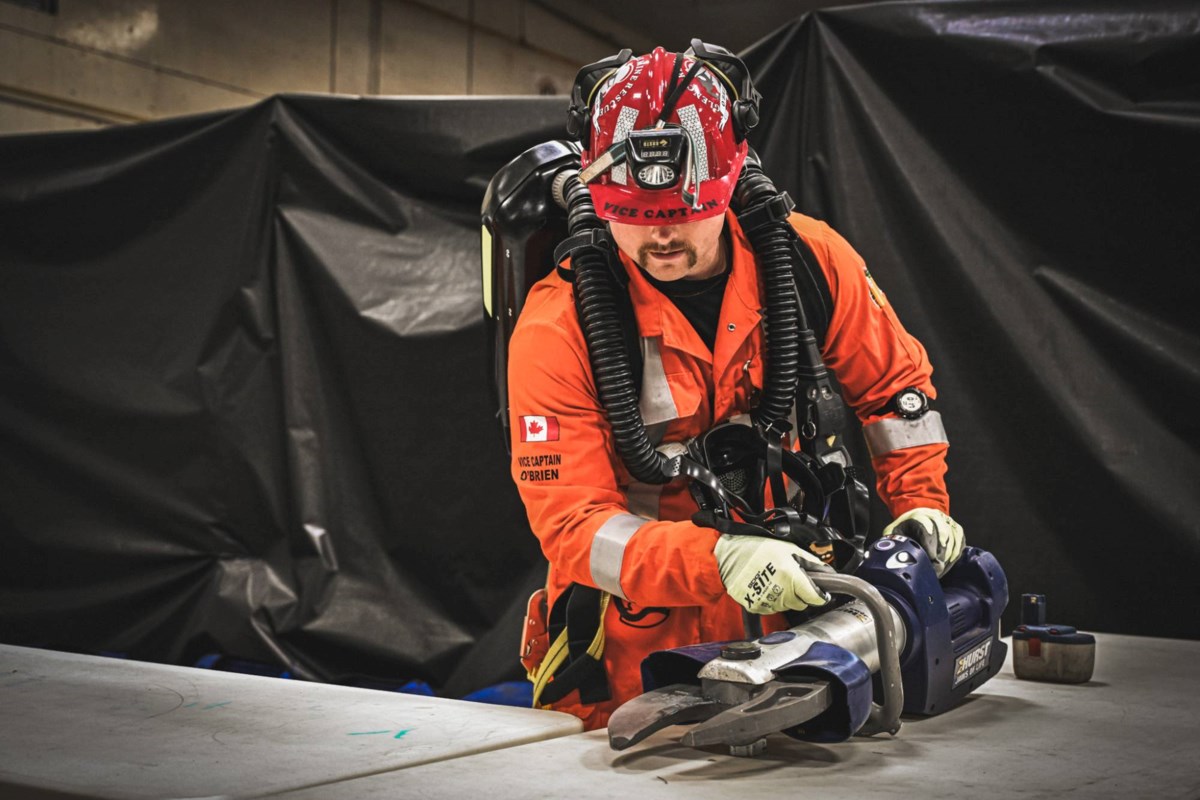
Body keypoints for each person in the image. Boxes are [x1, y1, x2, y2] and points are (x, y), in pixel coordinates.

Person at [505, 43, 964, 730]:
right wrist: (714, 559)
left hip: (808, 636)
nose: (657, 241)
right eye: (632, 216)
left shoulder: (809, 263)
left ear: (730, 180)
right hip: (626, 668)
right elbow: (575, 530)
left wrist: (920, 507)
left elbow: (896, 390)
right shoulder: (559, 323)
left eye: (682, 215)